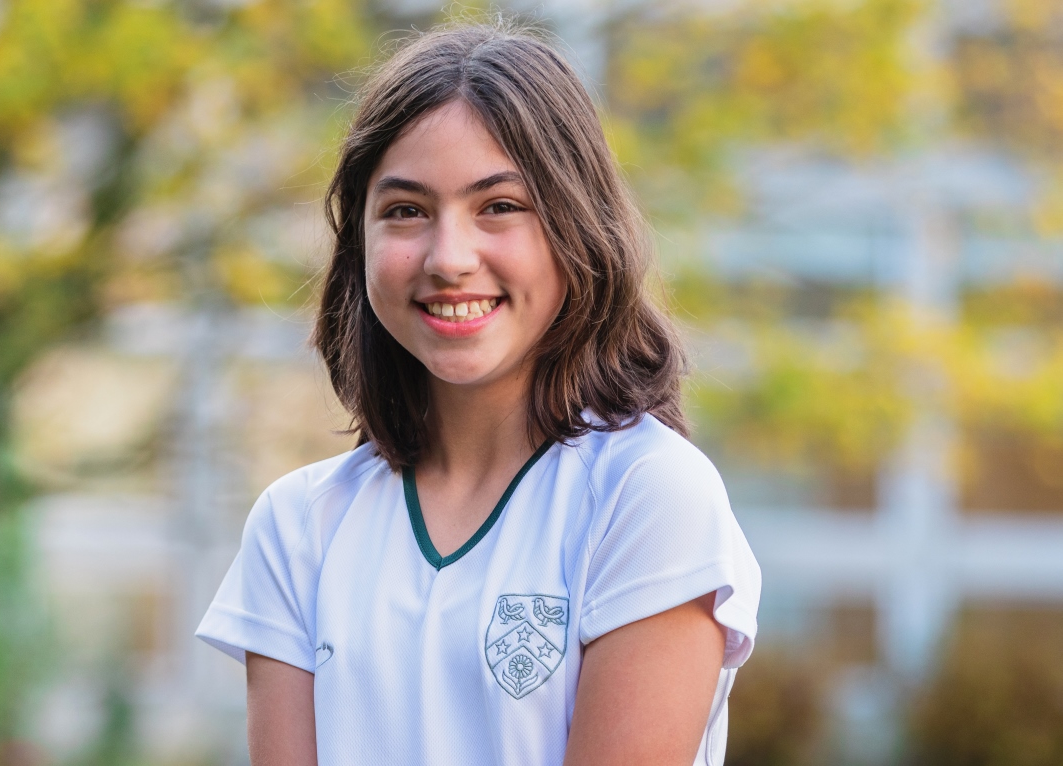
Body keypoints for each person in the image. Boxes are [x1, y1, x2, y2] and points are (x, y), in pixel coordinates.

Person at [195, 22, 761, 766]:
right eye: (405, 210)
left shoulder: (647, 497)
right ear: (358, 240)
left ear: (576, 228)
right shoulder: (298, 529)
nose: (448, 258)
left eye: (499, 206)